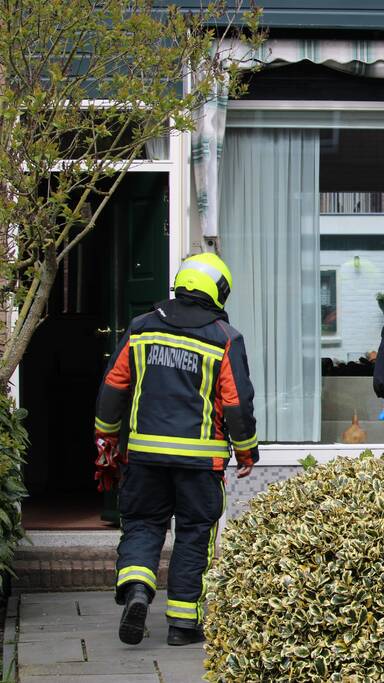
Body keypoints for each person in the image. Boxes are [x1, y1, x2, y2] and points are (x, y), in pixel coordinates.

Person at [93, 253, 258, 647]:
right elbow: (237, 402)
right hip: (200, 464)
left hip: (145, 457)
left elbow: (113, 386)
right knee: (193, 535)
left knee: (142, 524)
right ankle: (183, 625)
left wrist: (107, 437)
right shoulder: (225, 338)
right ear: (218, 291)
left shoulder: (141, 329)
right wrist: (247, 451)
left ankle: (136, 589)